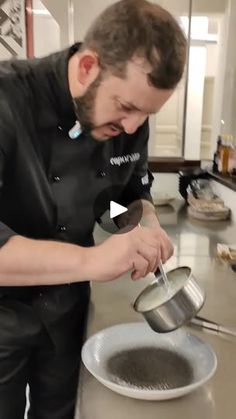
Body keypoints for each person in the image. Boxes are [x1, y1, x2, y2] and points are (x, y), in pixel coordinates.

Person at [0, 0, 186, 417]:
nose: (134, 127)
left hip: (68, 312)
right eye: (126, 107)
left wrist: (144, 222)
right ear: (87, 67)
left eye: (147, 113)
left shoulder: (129, 121)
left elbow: (117, 198)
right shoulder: (7, 100)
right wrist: (93, 260)